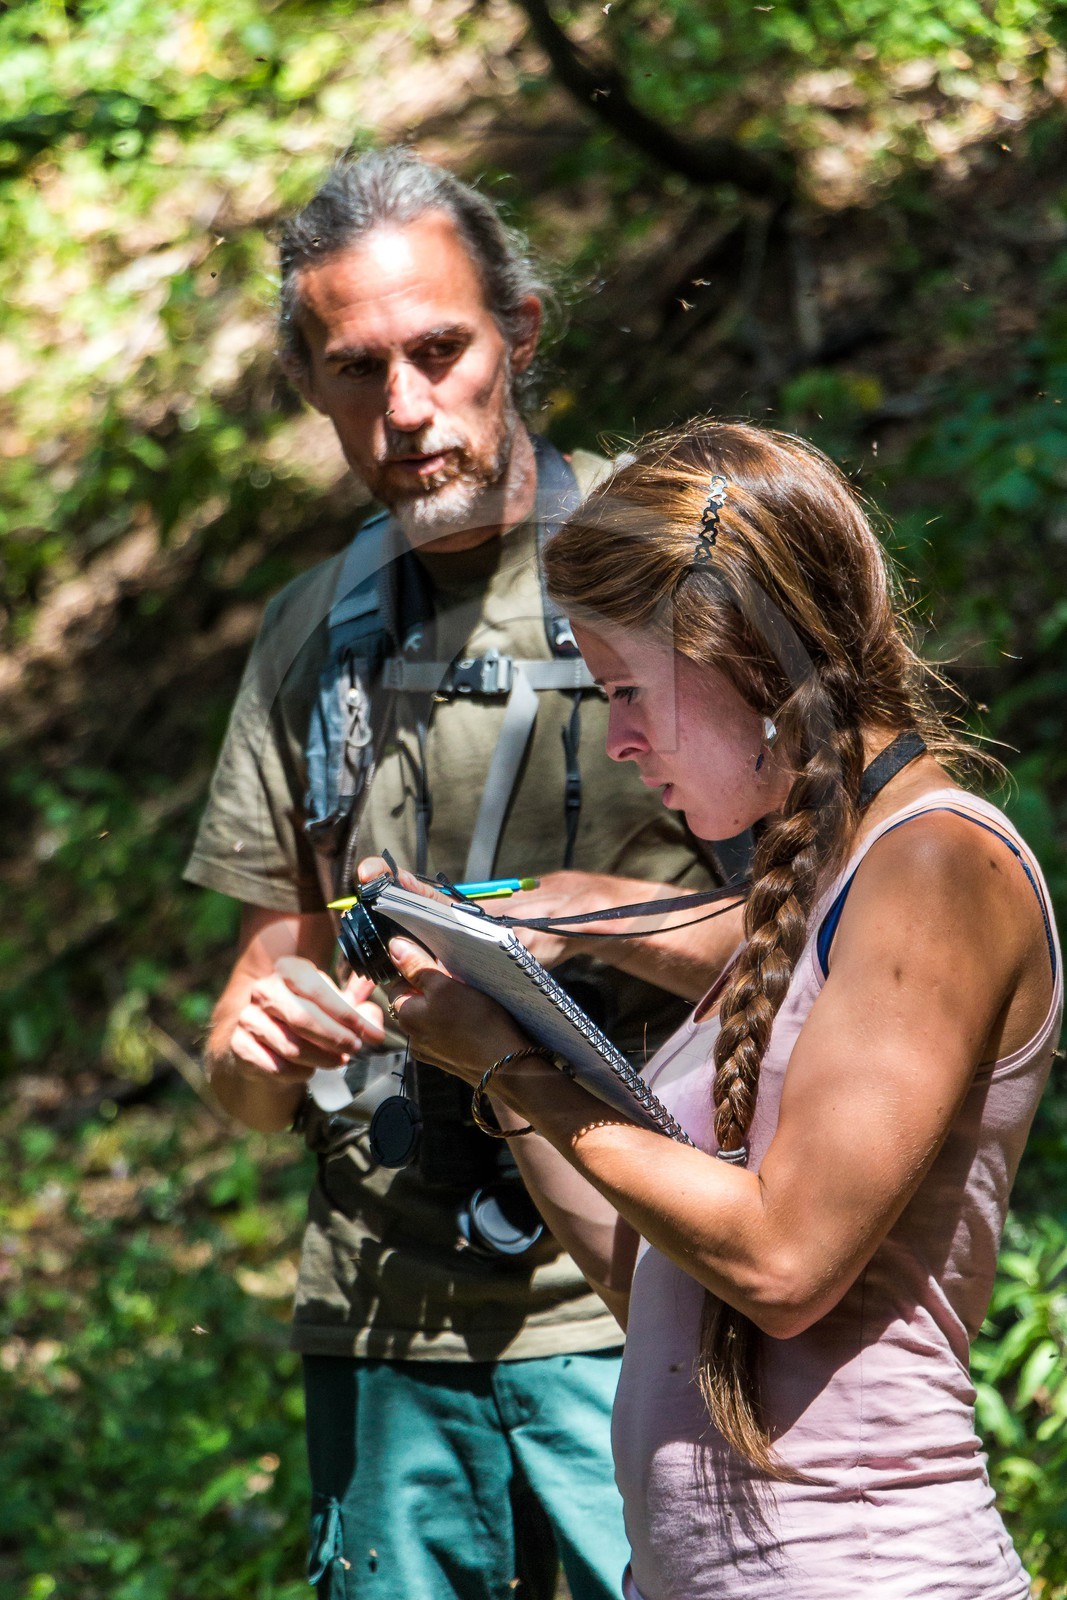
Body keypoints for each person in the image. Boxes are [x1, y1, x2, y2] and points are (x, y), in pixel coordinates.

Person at [371, 420, 1062, 1599]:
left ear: (739, 652)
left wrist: (512, 1073)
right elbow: (643, 1279)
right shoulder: (821, 889)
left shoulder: (934, 867)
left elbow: (784, 1259)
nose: (622, 739)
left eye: (628, 688)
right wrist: (504, 1027)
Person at [184, 150, 744, 1600]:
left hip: (651, 1292)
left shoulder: (668, 566)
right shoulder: (312, 634)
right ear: (308, 385)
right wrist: (253, 1041)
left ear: (524, 331)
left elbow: (837, 942)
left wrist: (586, 931)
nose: (407, 409)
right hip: (385, 1347)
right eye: (357, 370)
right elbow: (259, 1019)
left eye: (441, 351)